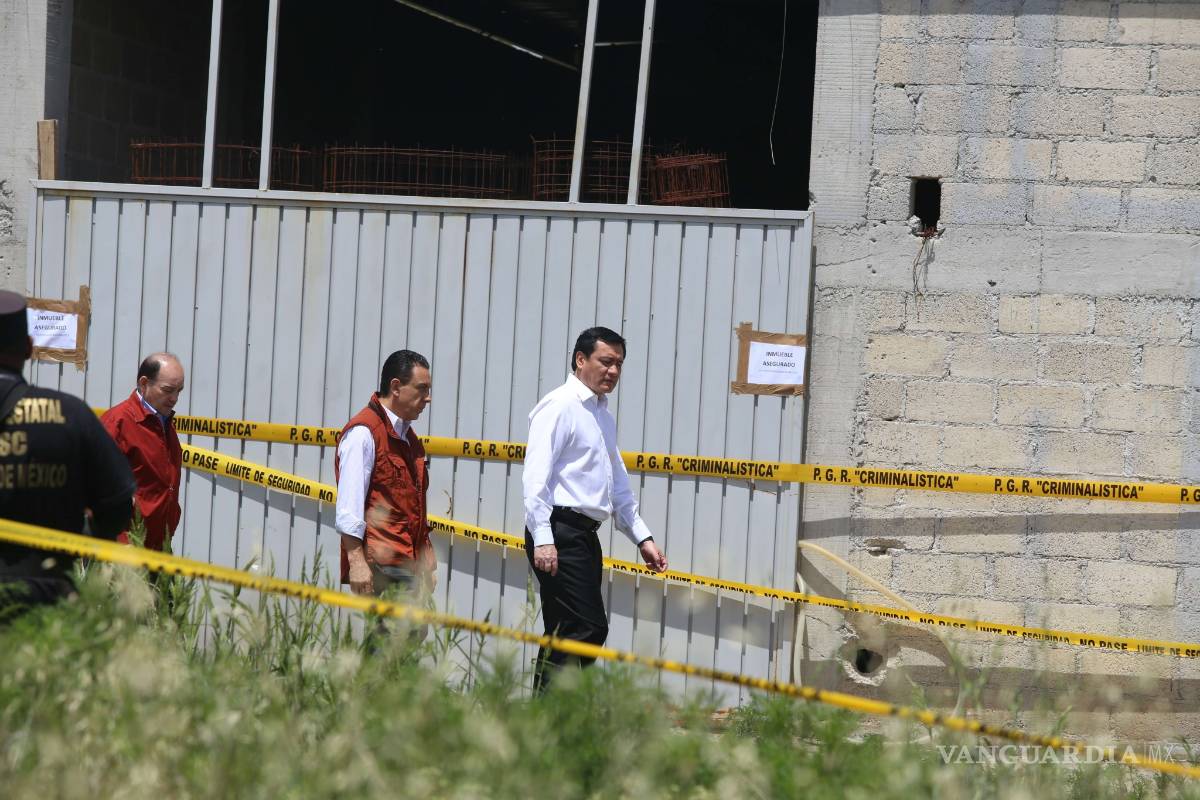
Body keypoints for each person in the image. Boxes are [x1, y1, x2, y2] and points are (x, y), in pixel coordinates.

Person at [522, 326, 668, 692]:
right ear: (580, 359)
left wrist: (642, 537)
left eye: (619, 364)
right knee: (586, 627)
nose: (613, 371)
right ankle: (555, 711)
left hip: (584, 535)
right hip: (558, 531)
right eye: (606, 361)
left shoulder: (602, 415)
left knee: (566, 629)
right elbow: (535, 478)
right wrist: (543, 538)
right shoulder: (559, 406)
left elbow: (617, 485)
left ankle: (548, 714)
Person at [0, 290, 135, 618]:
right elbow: (119, 504)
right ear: (29, 348)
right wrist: (81, 539)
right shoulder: (71, 414)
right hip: (45, 602)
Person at [335, 349, 435, 599]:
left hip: (407, 566)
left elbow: (414, 509)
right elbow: (349, 507)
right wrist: (356, 561)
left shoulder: (409, 439)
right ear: (396, 387)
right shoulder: (363, 434)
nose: (428, 398)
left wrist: (426, 563)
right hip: (381, 570)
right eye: (421, 389)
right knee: (389, 626)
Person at [101, 352, 185, 551]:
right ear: (144, 383)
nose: (174, 398)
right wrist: (119, 542)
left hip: (159, 546)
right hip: (124, 549)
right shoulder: (117, 423)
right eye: (168, 390)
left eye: (179, 391)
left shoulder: (164, 422)